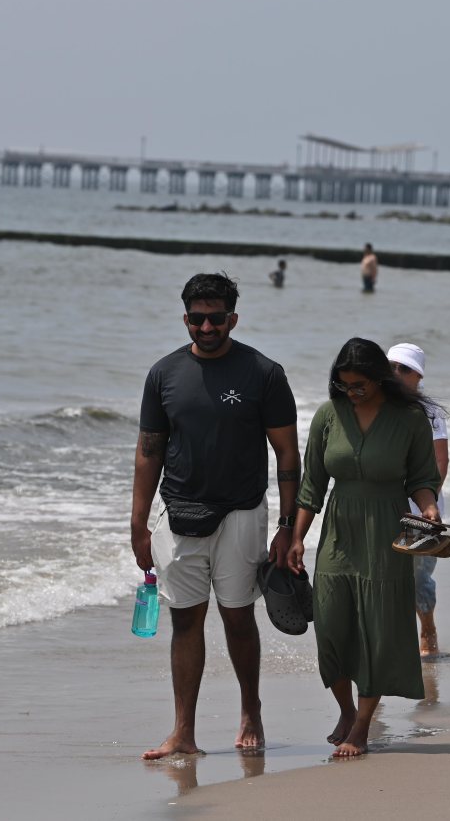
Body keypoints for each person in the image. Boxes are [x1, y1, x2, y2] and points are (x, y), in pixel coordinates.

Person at [132, 272, 300, 759]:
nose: (207, 327)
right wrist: (138, 521)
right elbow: (149, 451)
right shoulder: (163, 374)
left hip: (242, 512)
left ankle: (251, 711)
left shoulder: (263, 373)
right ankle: (183, 731)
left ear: (233, 318)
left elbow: (287, 454)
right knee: (185, 622)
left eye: (217, 318)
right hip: (178, 512)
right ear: (186, 318)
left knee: (238, 616)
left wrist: (288, 527)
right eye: (198, 318)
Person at [287, 337, 442, 757]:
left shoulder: (409, 418)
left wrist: (429, 511)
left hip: (387, 529)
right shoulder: (328, 415)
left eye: (359, 385)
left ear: (380, 378)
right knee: (332, 626)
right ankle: (343, 708)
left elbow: (423, 478)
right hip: (338, 530)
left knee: (378, 628)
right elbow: (311, 485)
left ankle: (361, 724)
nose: (351, 392)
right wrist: (297, 537)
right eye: (344, 385)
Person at [387, 343, 450, 657]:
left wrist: (429, 506)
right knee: (381, 574)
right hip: (383, 506)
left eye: (405, 369)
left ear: (418, 376)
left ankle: (427, 628)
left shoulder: (431, 413)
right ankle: (384, 642)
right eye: (392, 367)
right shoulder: (375, 406)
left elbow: (440, 462)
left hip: (421, 511)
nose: (397, 374)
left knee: (418, 576)